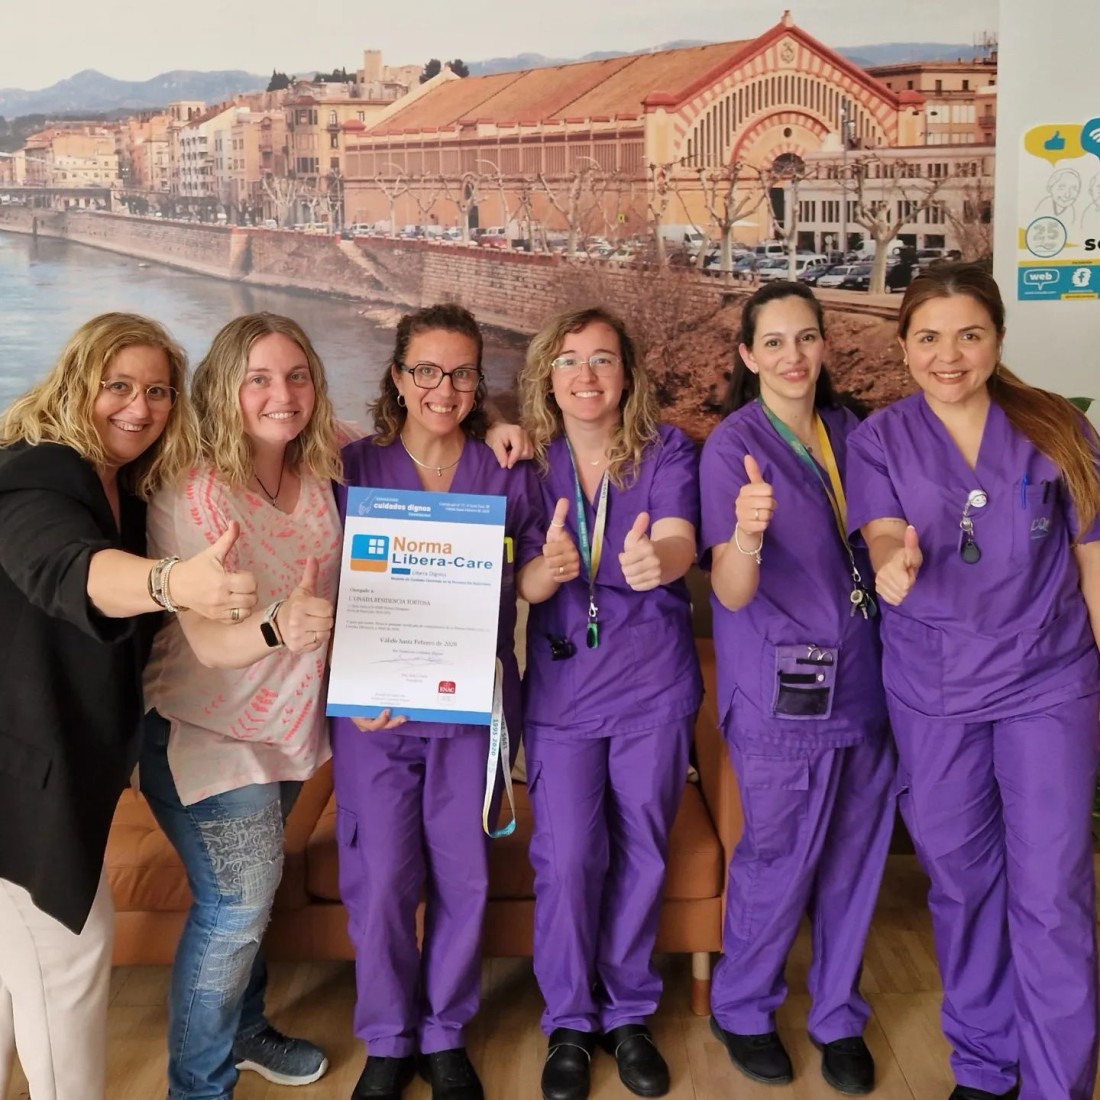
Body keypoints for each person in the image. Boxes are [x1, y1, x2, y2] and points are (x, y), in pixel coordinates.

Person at [845, 263, 1100, 1100]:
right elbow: (883, 531)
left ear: (997, 339)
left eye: (968, 335)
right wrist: (894, 562)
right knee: (961, 883)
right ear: (903, 346)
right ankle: (987, 1067)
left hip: (1047, 687)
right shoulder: (880, 439)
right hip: (935, 693)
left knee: (1052, 893)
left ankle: (1058, 1084)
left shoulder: (1056, 426)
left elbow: (1093, 564)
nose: (947, 356)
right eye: (928, 338)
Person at [0, 312, 256, 1100]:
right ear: (77, 384)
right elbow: (67, 567)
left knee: (14, 975)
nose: (138, 408)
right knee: (69, 957)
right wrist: (172, 582)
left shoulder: (131, 488)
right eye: (118, 386)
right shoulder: (37, 473)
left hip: (50, 766)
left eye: (158, 392)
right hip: (20, 780)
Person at [332, 303, 548, 1100]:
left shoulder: (507, 469)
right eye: (426, 370)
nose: (444, 388)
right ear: (398, 376)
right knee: (383, 879)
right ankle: (389, 1037)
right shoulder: (352, 468)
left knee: (464, 876)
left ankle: (445, 1031)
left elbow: (533, 576)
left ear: (478, 381)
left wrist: (552, 566)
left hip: (471, 710)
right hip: (375, 714)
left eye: (461, 373)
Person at [139, 313, 346, 1098]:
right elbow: (209, 644)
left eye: (296, 376)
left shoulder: (319, 463)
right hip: (207, 735)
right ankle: (198, 1086)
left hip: (289, 731)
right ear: (224, 388)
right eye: (258, 378)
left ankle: (245, 1031)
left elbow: (418, 434)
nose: (280, 394)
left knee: (250, 903)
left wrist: (500, 430)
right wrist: (276, 627)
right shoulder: (191, 493)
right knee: (235, 908)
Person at [698, 281, 894, 1095]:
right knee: (777, 859)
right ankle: (743, 1008)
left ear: (824, 343)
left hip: (869, 684)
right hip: (784, 694)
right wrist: (746, 531)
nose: (792, 356)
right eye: (773, 342)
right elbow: (730, 589)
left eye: (805, 337)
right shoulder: (732, 448)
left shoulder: (855, 434)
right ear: (748, 355)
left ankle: (838, 1015)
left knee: (855, 860)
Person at [516, 306, 702, 1100]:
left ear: (627, 375)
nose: (585, 375)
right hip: (562, 692)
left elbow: (681, 538)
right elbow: (522, 584)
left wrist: (655, 559)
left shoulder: (666, 450)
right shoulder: (525, 463)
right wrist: (548, 570)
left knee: (642, 849)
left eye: (602, 359)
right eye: (568, 360)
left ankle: (627, 1012)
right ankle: (568, 1019)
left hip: (651, 684)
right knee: (565, 857)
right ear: (546, 377)